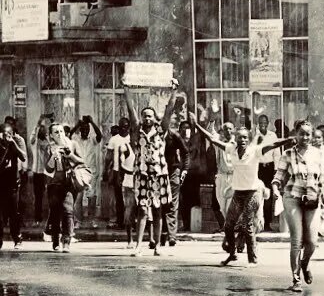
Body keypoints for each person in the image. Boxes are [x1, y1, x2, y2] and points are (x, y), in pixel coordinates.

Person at [192, 118, 288, 266]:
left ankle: (252, 259)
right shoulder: (232, 149)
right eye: (239, 137)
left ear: (249, 140)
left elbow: (273, 144)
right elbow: (212, 139)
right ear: (235, 139)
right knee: (228, 226)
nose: (242, 139)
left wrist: (290, 139)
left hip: (253, 192)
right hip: (238, 192)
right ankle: (232, 254)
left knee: (247, 225)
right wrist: (197, 125)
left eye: (245, 137)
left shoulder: (255, 151)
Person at [123, 81, 177, 257]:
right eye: (144, 116)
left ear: (155, 119)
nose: (147, 118)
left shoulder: (161, 131)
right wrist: (126, 89)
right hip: (142, 175)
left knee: (158, 210)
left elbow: (169, 110)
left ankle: (157, 246)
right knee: (143, 210)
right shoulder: (137, 132)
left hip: (160, 175)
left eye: (150, 116)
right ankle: (139, 245)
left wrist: (174, 91)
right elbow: (131, 111)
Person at [271, 121, 324, 292]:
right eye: (301, 133)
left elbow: (323, 176)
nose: (305, 137)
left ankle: (305, 264)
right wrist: (275, 189)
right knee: (297, 240)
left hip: (312, 198)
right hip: (292, 197)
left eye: (308, 134)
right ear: (296, 134)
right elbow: (278, 177)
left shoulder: (318, 153)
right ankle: (296, 280)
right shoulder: (288, 154)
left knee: (312, 242)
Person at [45, 123, 86, 253]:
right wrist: (53, 156)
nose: (60, 134)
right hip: (54, 184)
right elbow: (48, 168)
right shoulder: (50, 148)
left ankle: (67, 240)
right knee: (55, 211)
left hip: (69, 183)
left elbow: (81, 161)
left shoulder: (72, 144)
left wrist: (69, 155)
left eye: (61, 131)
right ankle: (56, 240)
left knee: (68, 210)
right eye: (56, 132)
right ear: (51, 135)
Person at [161, 102, 190, 247]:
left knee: (172, 203)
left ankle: (172, 236)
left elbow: (185, 153)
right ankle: (162, 233)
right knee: (160, 203)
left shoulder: (175, 136)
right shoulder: (155, 135)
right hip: (158, 172)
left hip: (173, 172)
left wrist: (184, 170)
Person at [70, 115, 103, 230]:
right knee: (78, 197)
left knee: (91, 197)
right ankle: (78, 221)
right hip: (79, 170)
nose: (84, 131)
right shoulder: (75, 139)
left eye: (86, 129)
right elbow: (68, 136)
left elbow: (100, 135)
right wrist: (76, 126)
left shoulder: (92, 139)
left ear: (89, 129)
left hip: (91, 171)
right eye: (82, 129)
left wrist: (92, 122)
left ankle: (92, 219)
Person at [0, 123, 28, 250]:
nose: (7, 137)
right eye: (4, 134)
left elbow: (23, 157)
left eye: (9, 134)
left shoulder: (13, 146)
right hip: (1, 184)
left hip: (12, 185)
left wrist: (13, 144)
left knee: (13, 213)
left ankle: (17, 238)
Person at [253, 114, 279, 232]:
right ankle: (257, 223)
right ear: (258, 123)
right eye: (260, 122)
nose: (263, 124)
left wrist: (276, 170)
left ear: (268, 123)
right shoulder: (254, 136)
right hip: (258, 168)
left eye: (265, 122)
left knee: (268, 196)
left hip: (269, 168)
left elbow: (276, 153)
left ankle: (267, 223)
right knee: (257, 195)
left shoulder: (272, 135)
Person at [106, 119, 131, 229]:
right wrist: (106, 170)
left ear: (129, 126)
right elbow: (108, 156)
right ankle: (120, 222)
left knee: (130, 198)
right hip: (118, 172)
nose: (123, 128)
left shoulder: (133, 137)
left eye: (125, 126)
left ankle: (130, 221)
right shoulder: (114, 139)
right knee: (119, 198)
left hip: (131, 172)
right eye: (121, 126)